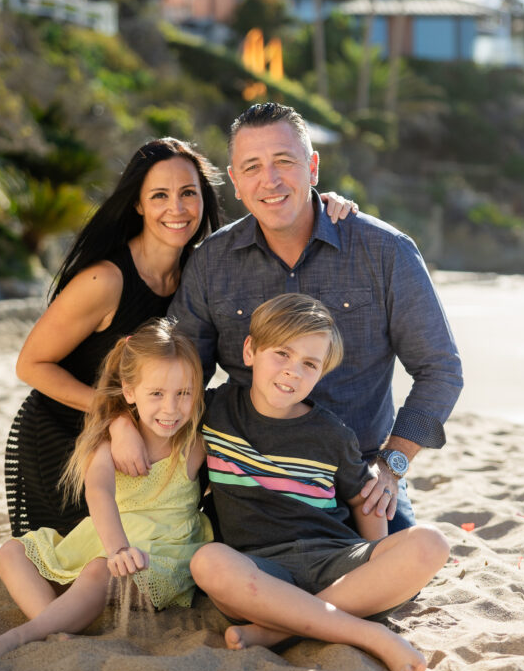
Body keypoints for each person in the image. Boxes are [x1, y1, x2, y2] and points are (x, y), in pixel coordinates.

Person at [6, 133, 354, 539]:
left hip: (154, 433)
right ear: (137, 204)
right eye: (159, 196)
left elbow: (279, 226)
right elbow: (30, 365)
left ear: (205, 198)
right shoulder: (104, 280)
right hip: (68, 434)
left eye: (188, 192)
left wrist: (317, 203)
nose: (177, 208)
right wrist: (116, 419)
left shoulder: (202, 268)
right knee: (88, 564)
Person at [169, 102, 464, 533]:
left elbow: (440, 369)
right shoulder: (212, 261)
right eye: (251, 167)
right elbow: (182, 372)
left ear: (313, 166)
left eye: (284, 162)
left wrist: (391, 465)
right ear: (234, 181)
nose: (269, 180)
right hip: (249, 474)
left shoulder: (384, 251)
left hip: (358, 475)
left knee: (394, 579)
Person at [190, 294, 450, 671]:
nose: (293, 371)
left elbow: (366, 502)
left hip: (335, 566)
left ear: (321, 373)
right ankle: (366, 633)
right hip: (261, 575)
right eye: (281, 354)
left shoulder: (332, 434)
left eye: (309, 364)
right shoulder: (215, 410)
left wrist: (376, 557)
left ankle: (278, 630)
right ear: (250, 350)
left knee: (432, 542)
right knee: (207, 562)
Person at [0, 320, 212, 662]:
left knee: (98, 570)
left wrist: (120, 555)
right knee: (10, 552)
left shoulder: (193, 444)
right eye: (157, 393)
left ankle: (20, 636)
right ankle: (54, 627)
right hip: (109, 541)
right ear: (129, 391)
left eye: (184, 393)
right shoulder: (108, 443)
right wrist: (118, 548)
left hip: (160, 556)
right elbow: (100, 494)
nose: (171, 408)